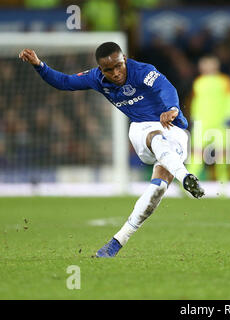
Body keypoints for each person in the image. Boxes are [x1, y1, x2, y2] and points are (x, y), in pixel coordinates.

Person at [19, 42, 204, 258]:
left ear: (124, 58)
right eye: (109, 70)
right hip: (142, 128)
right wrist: (39, 65)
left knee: (157, 190)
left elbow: (166, 88)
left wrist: (172, 108)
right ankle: (186, 177)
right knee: (153, 137)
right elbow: (65, 82)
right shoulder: (95, 78)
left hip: (173, 129)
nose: (116, 73)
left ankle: (117, 242)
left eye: (118, 66)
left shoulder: (143, 71)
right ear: (100, 69)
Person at [188, 55, 230, 182]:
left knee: (223, 156)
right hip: (202, 123)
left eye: (207, 64)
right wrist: (194, 116)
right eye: (203, 65)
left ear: (215, 66)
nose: (204, 67)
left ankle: (223, 183)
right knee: (196, 154)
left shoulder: (225, 81)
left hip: (221, 123)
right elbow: (195, 101)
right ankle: (190, 183)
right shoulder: (198, 82)